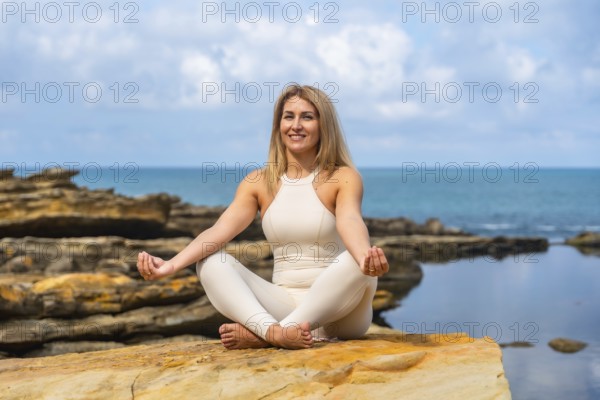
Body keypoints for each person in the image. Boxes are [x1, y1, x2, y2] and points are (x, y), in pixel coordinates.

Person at [137, 84, 389, 350]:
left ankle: (263, 336)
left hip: (340, 315)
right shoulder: (258, 182)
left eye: (307, 117)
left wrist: (365, 258)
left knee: (356, 261)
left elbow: (350, 220)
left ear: (323, 125)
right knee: (210, 262)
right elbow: (218, 231)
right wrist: (170, 266)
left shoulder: (343, 177)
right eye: (288, 116)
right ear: (278, 124)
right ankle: (275, 333)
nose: (296, 125)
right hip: (283, 303)